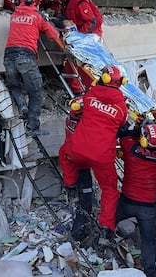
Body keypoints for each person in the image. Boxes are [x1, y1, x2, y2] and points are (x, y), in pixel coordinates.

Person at [58, 65, 128, 250]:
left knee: (64, 154)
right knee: (110, 191)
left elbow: (79, 104)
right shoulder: (121, 108)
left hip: (79, 151)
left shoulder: (89, 98)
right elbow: (121, 124)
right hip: (102, 157)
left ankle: (70, 188)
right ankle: (106, 229)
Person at [3, 0, 65, 137]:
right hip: (26, 57)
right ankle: (33, 128)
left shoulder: (14, 14)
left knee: (14, 85)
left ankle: (22, 105)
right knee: (36, 93)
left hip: (8, 56)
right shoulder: (37, 16)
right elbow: (53, 35)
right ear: (35, 1)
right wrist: (64, 49)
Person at [116, 122, 156, 277]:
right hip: (148, 206)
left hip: (128, 201)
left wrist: (135, 129)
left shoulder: (132, 150)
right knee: (148, 241)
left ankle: (103, 245)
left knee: (108, 222)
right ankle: (150, 271)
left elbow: (124, 135)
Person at [44, 0, 104, 95]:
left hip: (90, 33)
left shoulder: (78, 0)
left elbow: (91, 22)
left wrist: (79, 36)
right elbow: (61, 13)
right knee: (70, 62)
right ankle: (76, 88)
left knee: (80, 62)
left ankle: (80, 91)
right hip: (78, 31)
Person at [60, 96, 94, 241]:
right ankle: (79, 234)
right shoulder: (85, 126)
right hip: (82, 166)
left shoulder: (70, 118)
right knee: (85, 203)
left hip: (71, 164)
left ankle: (72, 192)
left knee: (81, 199)